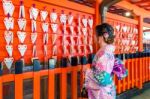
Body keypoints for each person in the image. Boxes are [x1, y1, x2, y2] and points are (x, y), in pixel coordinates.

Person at [84, 23, 127, 99]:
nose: (93, 36)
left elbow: (102, 78)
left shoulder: (104, 53)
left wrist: (87, 71)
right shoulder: (106, 51)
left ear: (101, 37)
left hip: (102, 93)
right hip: (106, 90)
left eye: (95, 34)